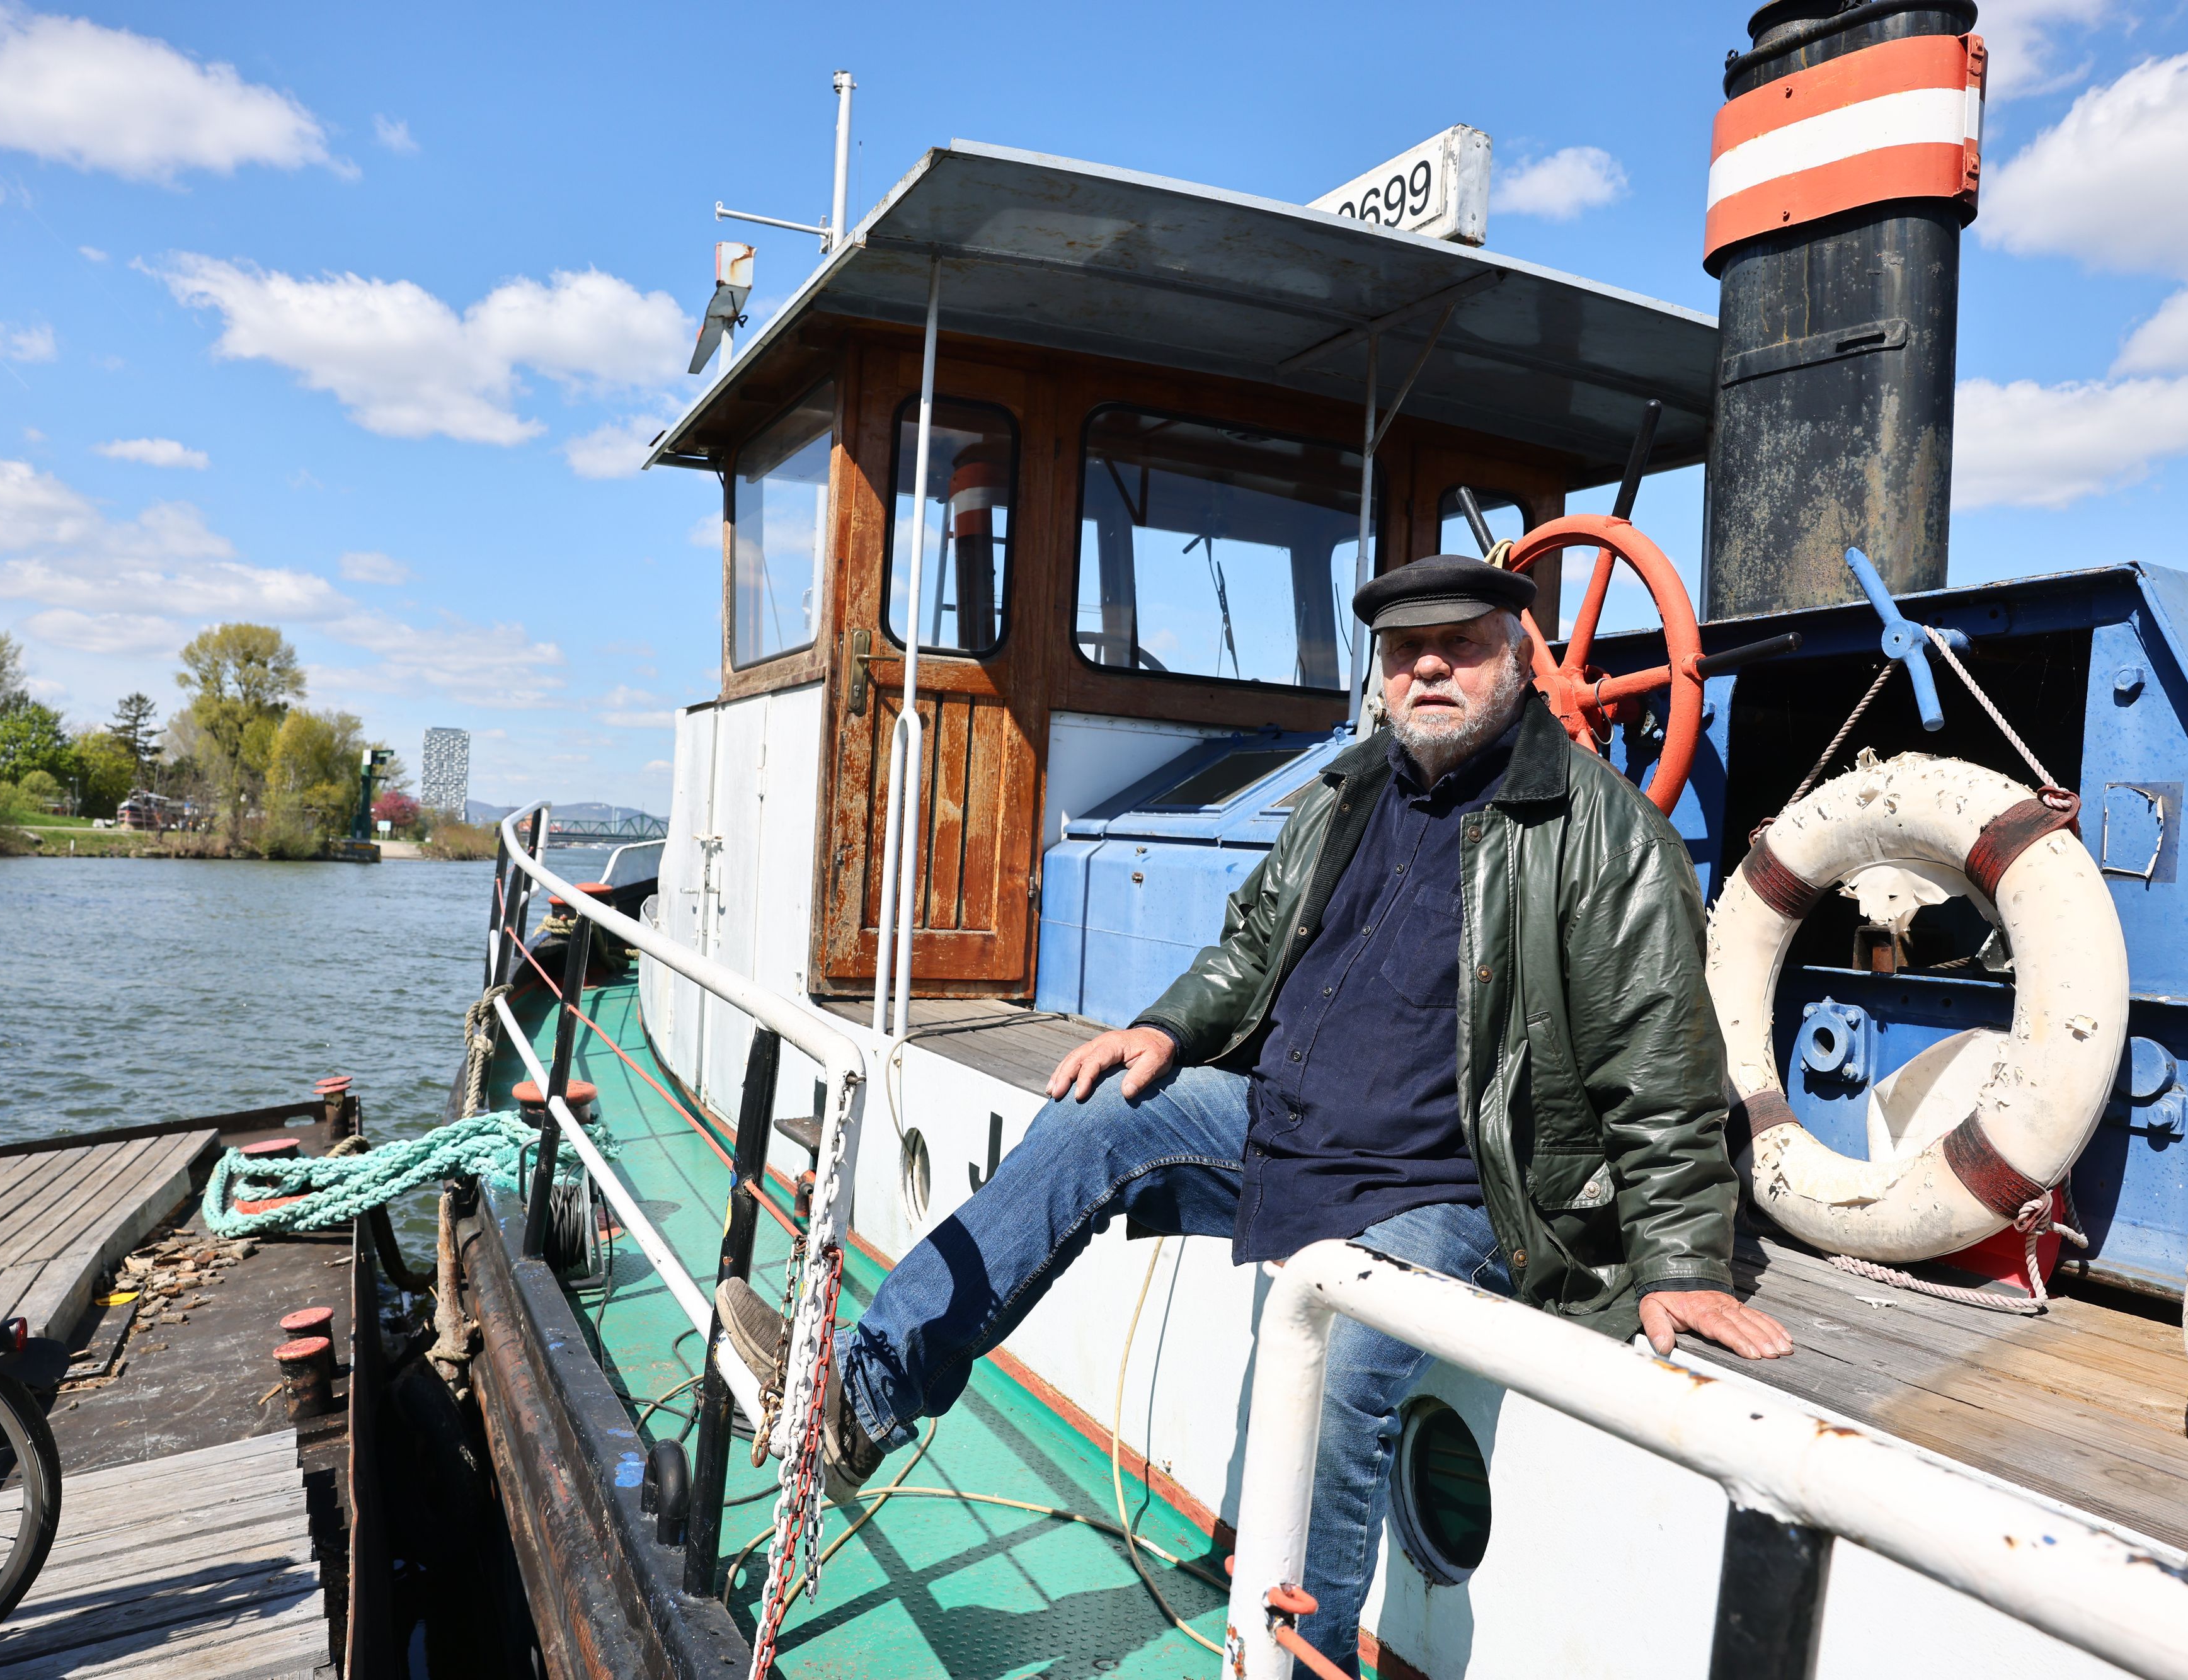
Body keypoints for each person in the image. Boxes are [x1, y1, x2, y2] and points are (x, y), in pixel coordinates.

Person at [723, 553, 1791, 1672]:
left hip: (1460, 1182)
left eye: (1462, 644)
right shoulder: (1352, 788)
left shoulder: (1610, 838)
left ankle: (1303, 1659)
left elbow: (1660, 1062)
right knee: (1095, 1118)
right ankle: (862, 1398)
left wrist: (1681, 1259)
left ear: (1521, 663)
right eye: (1402, 651)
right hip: (1290, 1124)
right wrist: (1171, 1028)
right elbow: (1251, 943)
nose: (1429, 665)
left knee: (1335, 1349)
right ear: (1379, 677)